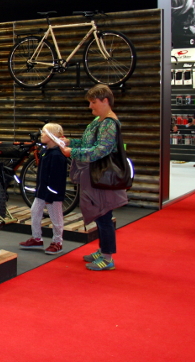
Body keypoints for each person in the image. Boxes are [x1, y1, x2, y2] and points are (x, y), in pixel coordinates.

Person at [61, 84, 128, 271]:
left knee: (104, 215)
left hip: (103, 177)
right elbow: (87, 142)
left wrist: (73, 152)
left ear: (105, 101)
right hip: (96, 176)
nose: (90, 106)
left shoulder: (109, 123)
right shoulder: (99, 121)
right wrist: (70, 142)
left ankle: (107, 258)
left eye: (93, 102)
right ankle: (103, 249)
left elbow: (100, 150)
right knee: (100, 215)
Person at [19, 123, 67, 254]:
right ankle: (37, 238)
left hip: (53, 194)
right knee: (35, 211)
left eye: (45, 133)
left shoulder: (57, 155)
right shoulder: (45, 152)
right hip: (42, 191)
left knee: (56, 218)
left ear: (53, 136)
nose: (42, 135)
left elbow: (57, 178)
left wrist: (50, 195)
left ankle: (57, 242)